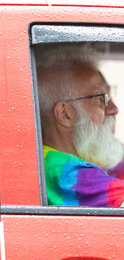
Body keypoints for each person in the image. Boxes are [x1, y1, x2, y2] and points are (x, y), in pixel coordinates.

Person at [35, 44, 124, 207]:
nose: (113, 109)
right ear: (65, 114)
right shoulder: (64, 172)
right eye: (100, 99)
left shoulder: (46, 159)